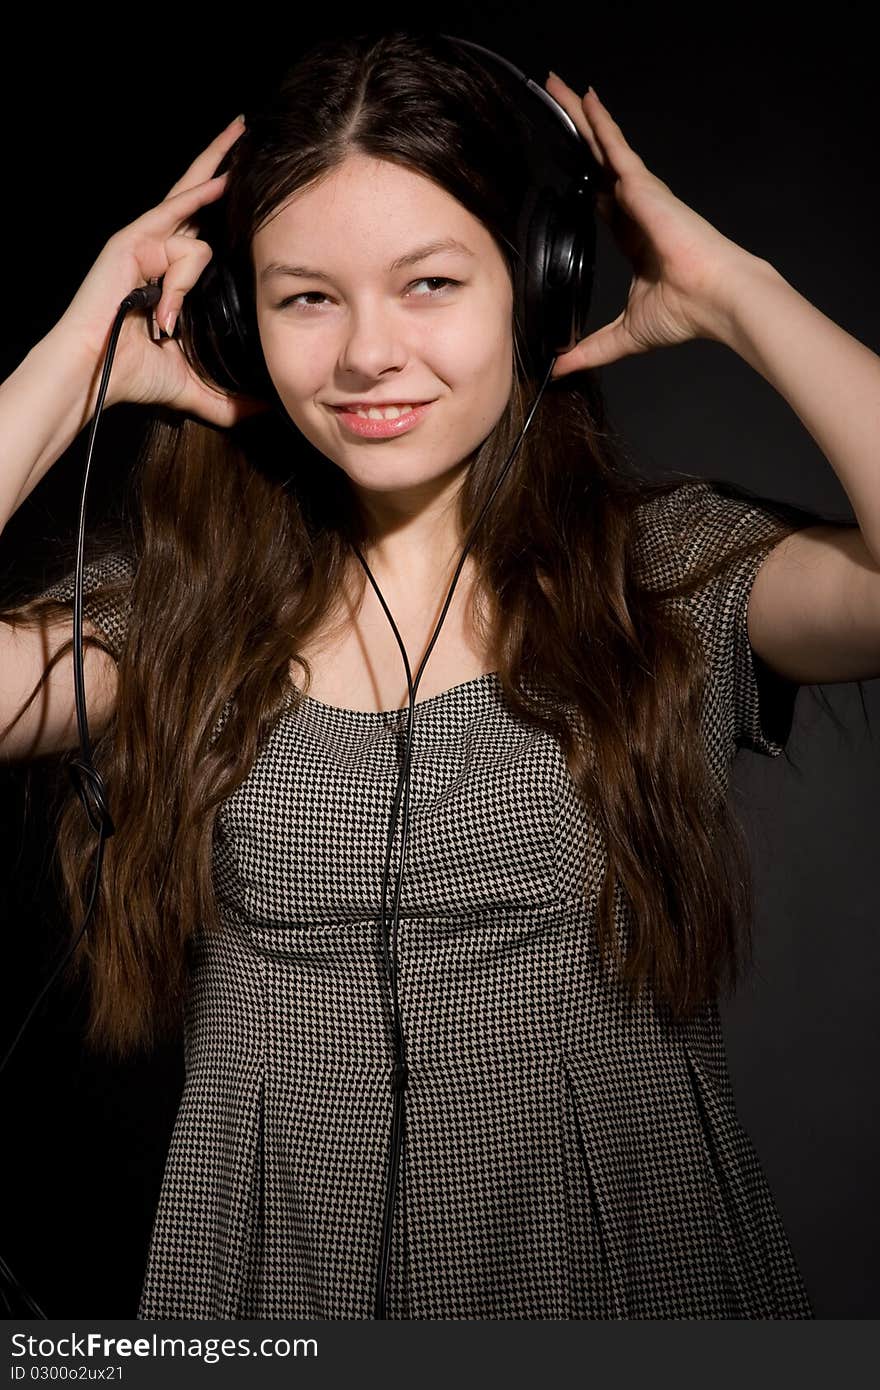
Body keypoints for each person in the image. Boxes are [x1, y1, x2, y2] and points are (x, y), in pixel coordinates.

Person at [1, 28, 878, 1321]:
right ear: (244, 318)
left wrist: (741, 292)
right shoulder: (179, 618)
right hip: (270, 1298)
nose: (366, 355)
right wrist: (71, 361)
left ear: (537, 281)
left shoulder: (666, 576)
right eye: (307, 297)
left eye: (429, 284)